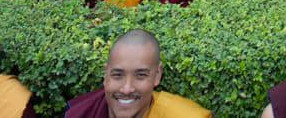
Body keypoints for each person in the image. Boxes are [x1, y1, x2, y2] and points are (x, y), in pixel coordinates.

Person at [66, 29, 211, 117]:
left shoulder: (184, 116)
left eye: (141, 75)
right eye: (117, 75)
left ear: (157, 76)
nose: (127, 89)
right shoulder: (83, 114)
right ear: (106, 74)